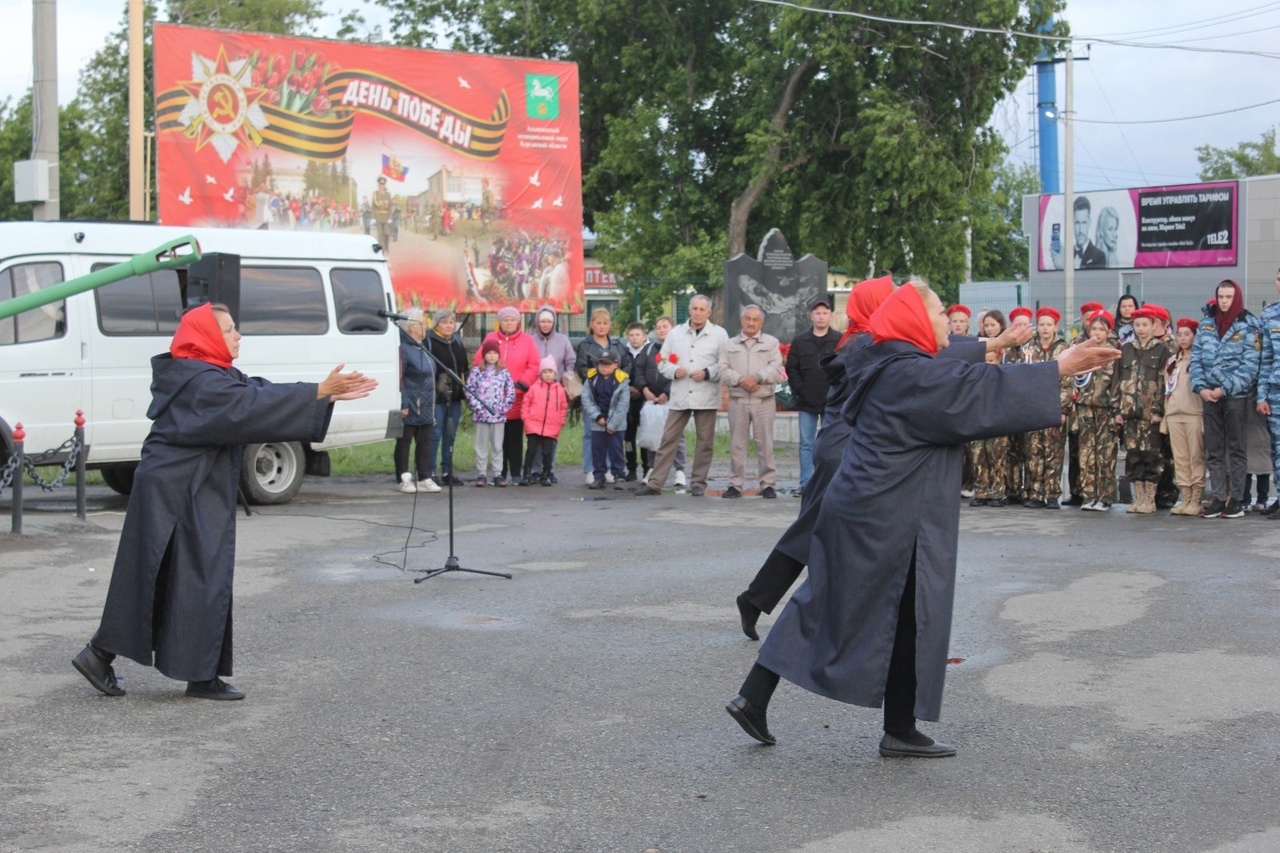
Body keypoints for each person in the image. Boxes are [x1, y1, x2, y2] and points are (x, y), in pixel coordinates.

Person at [724, 279, 1120, 757]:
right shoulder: (906, 372)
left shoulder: (894, 360)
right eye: (937, 317)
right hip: (882, 517)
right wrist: (1057, 367)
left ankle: (894, 726)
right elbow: (969, 391)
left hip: (882, 512)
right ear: (913, 322)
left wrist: (1004, 348)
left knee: (891, 612)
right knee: (845, 608)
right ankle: (872, 722)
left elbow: (950, 368)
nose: (947, 327)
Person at [72, 303, 377, 700]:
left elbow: (255, 392)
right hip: (178, 493)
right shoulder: (200, 382)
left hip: (182, 488)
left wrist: (320, 394)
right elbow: (246, 407)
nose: (238, 336)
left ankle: (150, 664)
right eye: (230, 330)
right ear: (207, 336)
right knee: (187, 577)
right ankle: (172, 670)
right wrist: (318, 393)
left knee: (172, 577)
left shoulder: (207, 374)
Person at [734, 277, 1030, 640]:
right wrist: (998, 342)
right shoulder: (867, 340)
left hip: (844, 446)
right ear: (873, 305)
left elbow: (936, 350)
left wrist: (996, 343)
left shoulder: (869, 337)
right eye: (888, 298)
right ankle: (798, 629)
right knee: (825, 538)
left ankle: (759, 601)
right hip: (846, 448)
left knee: (814, 533)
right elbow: (933, 357)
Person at [635, 295, 729, 497]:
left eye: (702, 309)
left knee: (705, 441)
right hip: (679, 394)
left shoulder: (719, 334)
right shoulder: (675, 333)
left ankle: (698, 483)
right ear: (689, 310)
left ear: (709, 312)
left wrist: (707, 373)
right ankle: (655, 483)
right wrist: (673, 371)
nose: (697, 312)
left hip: (705, 394)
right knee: (668, 438)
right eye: (694, 308)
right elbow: (662, 361)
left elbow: (725, 364)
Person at [1191, 279, 1261, 518]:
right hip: (1209, 396)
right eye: (1221, 296)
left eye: (1228, 297)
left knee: (1236, 449)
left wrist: (1225, 388)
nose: (1223, 301)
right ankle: (1219, 497)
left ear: (1237, 298)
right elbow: (1196, 359)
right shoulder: (1207, 325)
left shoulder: (1249, 325)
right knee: (1214, 450)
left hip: (1235, 397)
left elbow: (1250, 366)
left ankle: (1237, 499)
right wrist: (1201, 388)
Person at [720, 305, 784, 499]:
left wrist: (756, 377)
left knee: (765, 444)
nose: (751, 323)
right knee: (737, 445)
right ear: (742, 321)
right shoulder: (729, 344)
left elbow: (776, 368)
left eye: (755, 320)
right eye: (747, 319)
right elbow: (722, 370)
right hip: (738, 401)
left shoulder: (771, 343)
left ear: (761, 323)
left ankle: (767, 484)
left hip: (763, 400)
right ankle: (735, 484)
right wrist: (742, 380)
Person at [475, 306, 540, 485]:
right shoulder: (490, 338)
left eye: (512, 319)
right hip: (493, 402)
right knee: (497, 440)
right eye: (505, 320)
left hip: (517, 398)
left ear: (518, 322)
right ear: (500, 322)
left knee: (515, 437)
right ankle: (499, 473)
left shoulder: (527, 340)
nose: (509, 323)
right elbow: (477, 362)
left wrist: (523, 383)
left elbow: (534, 364)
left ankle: (516, 472)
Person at [1113, 307, 1168, 513]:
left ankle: (1149, 499)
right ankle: (1138, 498)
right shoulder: (1126, 349)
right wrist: (1118, 410)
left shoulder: (1161, 350)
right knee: (1133, 455)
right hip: (1129, 413)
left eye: (1145, 324)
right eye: (1137, 325)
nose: (1141, 329)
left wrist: (1158, 410)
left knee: (1151, 455)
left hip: (1150, 413)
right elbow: (1118, 380)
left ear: (1154, 325)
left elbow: (1163, 383)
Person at [787, 297, 839, 496]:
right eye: (817, 313)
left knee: (830, 443)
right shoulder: (800, 341)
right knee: (806, 444)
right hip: (807, 402)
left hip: (831, 402)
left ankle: (827, 483)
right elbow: (792, 369)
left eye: (825, 313)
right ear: (811, 316)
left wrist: (837, 392)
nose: (821, 316)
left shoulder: (839, 340)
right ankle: (806, 484)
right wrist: (801, 390)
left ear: (830, 316)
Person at [1071, 310, 1120, 511]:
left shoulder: (1114, 353)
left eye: (1102, 329)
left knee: (1105, 454)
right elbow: (1074, 380)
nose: (1097, 333)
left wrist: (1116, 408)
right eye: (1094, 329)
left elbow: (1118, 383)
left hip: (1105, 409)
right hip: (1084, 407)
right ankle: (1089, 495)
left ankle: (1104, 497)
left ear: (1109, 332)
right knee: (1086, 453)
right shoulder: (1083, 352)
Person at [1021, 307, 1070, 508]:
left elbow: (1068, 381)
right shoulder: (1028, 348)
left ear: (1056, 327)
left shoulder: (1063, 349)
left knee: (1054, 451)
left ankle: (1051, 494)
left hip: (1053, 408)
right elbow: (1022, 376)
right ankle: (1035, 493)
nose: (1045, 329)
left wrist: (1063, 409)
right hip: (1033, 408)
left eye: (1049, 324)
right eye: (1041, 324)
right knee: (1033, 452)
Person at [633, 316, 688, 488]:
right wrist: (645, 390)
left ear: (673, 328)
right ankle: (651, 469)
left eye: (665, 326)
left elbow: (682, 372)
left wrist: (667, 392)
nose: (662, 330)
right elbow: (638, 370)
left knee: (676, 435)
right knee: (652, 434)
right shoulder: (648, 349)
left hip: (672, 400)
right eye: (659, 327)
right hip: (651, 401)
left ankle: (679, 471)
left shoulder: (680, 349)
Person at [576, 308, 625, 485]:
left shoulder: (618, 345)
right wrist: (600, 378)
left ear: (610, 325)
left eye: (605, 323)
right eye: (598, 323)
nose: (602, 326)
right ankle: (591, 469)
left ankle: (610, 468)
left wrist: (616, 382)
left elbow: (626, 367)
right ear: (591, 324)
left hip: (614, 395)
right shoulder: (585, 345)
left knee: (612, 433)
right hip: (595, 394)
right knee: (591, 433)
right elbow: (581, 368)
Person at [395, 309, 440, 494]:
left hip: (427, 405)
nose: (426, 326)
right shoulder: (403, 349)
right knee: (404, 443)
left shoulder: (424, 345)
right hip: (411, 404)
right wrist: (404, 404)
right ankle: (403, 479)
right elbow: (400, 378)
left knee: (425, 443)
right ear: (412, 327)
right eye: (422, 323)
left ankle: (424, 477)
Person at [424, 309, 469, 486]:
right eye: (445, 322)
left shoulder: (457, 341)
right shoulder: (429, 341)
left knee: (450, 435)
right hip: (437, 396)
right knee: (435, 434)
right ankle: (430, 471)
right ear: (436, 324)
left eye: (451, 322)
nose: (449, 326)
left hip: (455, 396)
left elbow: (464, 366)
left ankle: (447, 471)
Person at [1166, 317, 1206, 515]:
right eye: (1179, 334)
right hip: (1174, 415)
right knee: (1180, 458)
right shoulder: (1173, 361)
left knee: (1195, 458)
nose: (1182, 338)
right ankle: (1185, 496)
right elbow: (1167, 391)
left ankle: (1196, 498)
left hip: (1194, 414)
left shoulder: (1199, 360)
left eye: (1187, 334)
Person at [467, 339, 516, 487]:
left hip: (498, 416)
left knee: (497, 446)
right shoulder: (477, 372)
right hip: (481, 416)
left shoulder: (504, 372)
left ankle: (497, 473)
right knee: (481, 445)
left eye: (495, 353)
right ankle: (481, 473)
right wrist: (478, 407)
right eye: (489, 353)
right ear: (484, 355)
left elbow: (511, 392)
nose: (492, 356)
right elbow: (470, 391)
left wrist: (502, 408)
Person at [582, 350, 630, 489]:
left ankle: (619, 475)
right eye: (601, 364)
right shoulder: (591, 379)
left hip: (616, 424)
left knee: (616, 450)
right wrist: (597, 416)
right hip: (598, 422)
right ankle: (599, 476)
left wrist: (612, 424)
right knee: (597, 450)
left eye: (607, 364)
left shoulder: (622, 381)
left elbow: (623, 405)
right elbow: (586, 399)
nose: (603, 367)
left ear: (616, 365)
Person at [520, 357, 569, 486]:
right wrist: (526, 418)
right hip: (534, 424)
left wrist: (560, 421)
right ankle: (527, 473)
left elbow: (563, 407)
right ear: (541, 373)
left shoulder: (560, 390)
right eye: (545, 372)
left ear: (555, 374)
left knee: (548, 452)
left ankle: (546, 474)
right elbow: (526, 403)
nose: (548, 375)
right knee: (531, 450)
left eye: (550, 372)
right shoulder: (534, 388)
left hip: (551, 426)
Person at [1257, 268, 1280, 518]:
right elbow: (1266, 358)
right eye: (1278, 278)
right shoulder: (1270, 314)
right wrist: (1262, 395)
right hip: (1275, 391)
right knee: (1276, 447)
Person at [621, 321, 651, 481]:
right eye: (631, 335)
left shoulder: (650, 351)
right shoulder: (623, 352)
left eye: (637, 335)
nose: (634, 339)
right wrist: (628, 388)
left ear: (644, 336)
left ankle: (647, 468)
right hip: (627, 400)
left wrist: (641, 389)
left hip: (645, 398)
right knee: (628, 436)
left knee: (645, 434)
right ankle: (631, 467)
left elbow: (652, 373)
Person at [371, 177, 393, 249]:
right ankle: (381, 250)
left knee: (387, 233)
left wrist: (390, 217)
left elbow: (390, 207)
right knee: (380, 235)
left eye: (383, 185)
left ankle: (386, 247)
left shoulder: (388, 194)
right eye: (380, 184)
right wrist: (373, 217)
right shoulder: (375, 194)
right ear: (378, 185)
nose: (381, 186)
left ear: (385, 186)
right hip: (378, 217)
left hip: (386, 217)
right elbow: (373, 206)